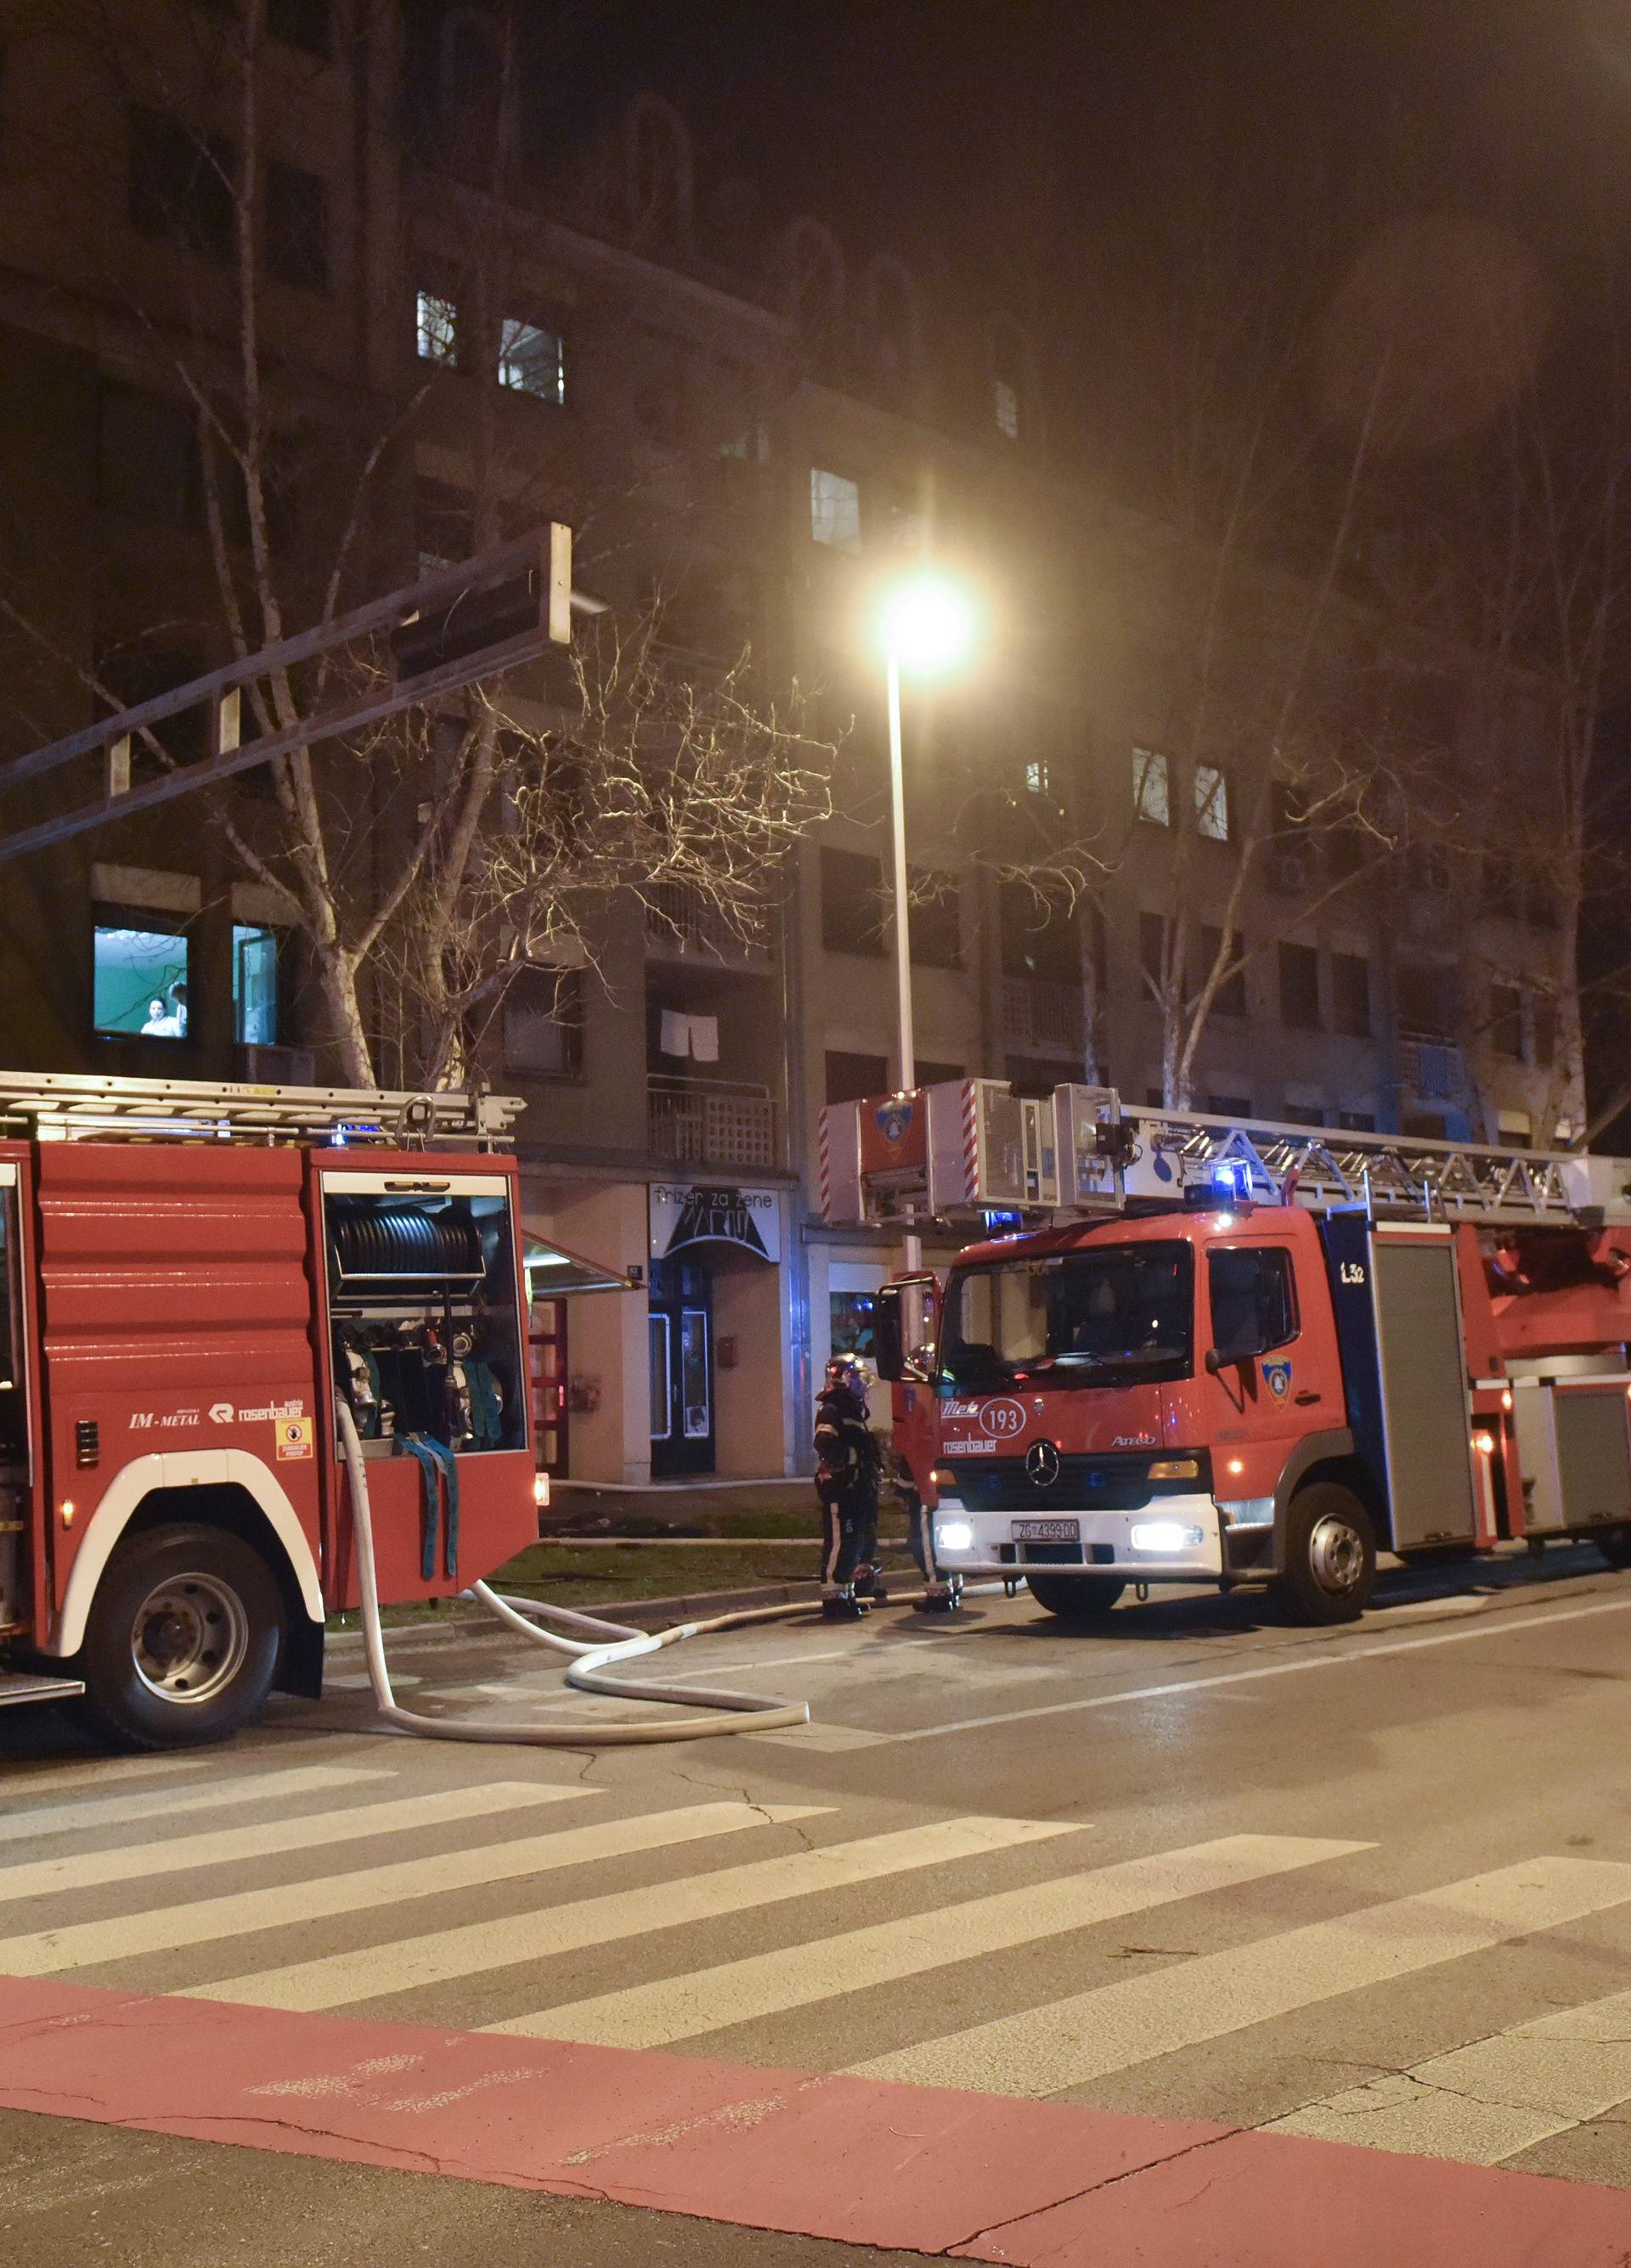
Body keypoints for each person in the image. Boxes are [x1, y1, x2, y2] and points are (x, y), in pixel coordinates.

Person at [813, 1355, 885, 1621]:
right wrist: (854, 1460)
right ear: (845, 1379)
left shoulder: (851, 1410)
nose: (864, 1386)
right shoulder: (832, 1408)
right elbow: (824, 1442)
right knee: (840, 1544)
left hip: (856, 1489)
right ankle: (833, 1598)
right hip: (842, 1490)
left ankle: (847, 1594)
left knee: (854, 1544)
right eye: (860, 1379)